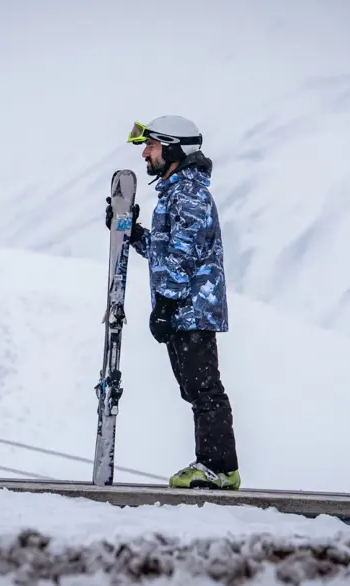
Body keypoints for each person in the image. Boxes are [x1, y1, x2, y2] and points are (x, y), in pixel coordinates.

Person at [104, 115, 240, 490]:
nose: (145, 154)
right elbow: (166, 254)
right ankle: (214, 465)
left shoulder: (189, 196)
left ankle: (219, 467)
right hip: (185, 308)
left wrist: (164, 305)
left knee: (204, 388)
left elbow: (183, 258)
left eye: (151, 146)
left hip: (192, 309)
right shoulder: (176, 194)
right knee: (194, 388)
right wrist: (133, 233)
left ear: (174, 149)